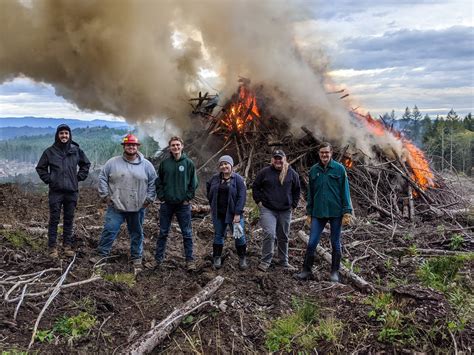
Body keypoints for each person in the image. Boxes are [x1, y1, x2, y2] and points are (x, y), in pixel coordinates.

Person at [96, 133, 156, 273]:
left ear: (137, 146)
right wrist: (105, 196)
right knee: (110, 229)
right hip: (116, 206)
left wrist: (149, 199)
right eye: (128, 144)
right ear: (124, 146)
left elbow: (154, 182)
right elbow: (102, 178)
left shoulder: (147, 165)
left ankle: (136, 257)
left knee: (136, 233)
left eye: (133, 145)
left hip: (138, 207)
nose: (131, 147)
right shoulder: (113, 162)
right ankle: (102, 254)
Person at [294, 142, 353, 282]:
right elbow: (311, 192)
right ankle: (306, 271)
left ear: (331, 153)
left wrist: (347, 211)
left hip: (336, 212)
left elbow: (345, 191)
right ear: (319, 154)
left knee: (335, 242)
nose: (324, 155)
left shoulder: (339, 169)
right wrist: (309, 212)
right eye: (322, 153)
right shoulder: (314, 170)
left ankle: (334, 273)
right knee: (312, 242)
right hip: (318, 212)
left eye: (327, 152)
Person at [36, 124, 90, 258]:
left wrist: (79, 177)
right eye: (61, 133)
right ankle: (52, 247)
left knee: (69, 219)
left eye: (66, 133)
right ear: (57, 135)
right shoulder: (50, 151)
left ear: (70, 135)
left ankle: (67, 246)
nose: (64, 136)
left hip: (72, 191)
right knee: (54, 219)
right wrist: (50, 180)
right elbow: (40, 168)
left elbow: (86, 164)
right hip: (56, 191)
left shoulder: (76, 150)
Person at [252, 150, 301, 272]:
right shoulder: (265, 172)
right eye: (276, 158)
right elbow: (255, 186)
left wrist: (293, 205)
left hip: (285, 210)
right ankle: (265, 261)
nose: (278, 161)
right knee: (269, 233)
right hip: (268, 209)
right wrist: (259, 202)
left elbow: (297, 190)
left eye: (280, 158)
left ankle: (283, 261)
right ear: (272, 159)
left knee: (283, 236)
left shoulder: (291, 173)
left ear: (285, 159)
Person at [155, 136, 198, 271]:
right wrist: (161, 196)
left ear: (182, 146)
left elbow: (194, 183)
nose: (175, 147)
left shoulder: (188, 163)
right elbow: (159, 181)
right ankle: (158, 259)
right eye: (173, 145)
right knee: (163, 232)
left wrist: (187, 198)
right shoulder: (165, 164)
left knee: (187, 233)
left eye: (178, 145)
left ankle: (190, 261)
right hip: (167, 204)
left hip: (183, 205)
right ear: (170, 148)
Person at [206, 155, 248, 270]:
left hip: (234, 214)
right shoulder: (215, 178)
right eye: (221, 164)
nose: (224, 166)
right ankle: (217, 257)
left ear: (231, 165)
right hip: (219, 213)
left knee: (239, 236)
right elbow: (208, 188)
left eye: (226, 164)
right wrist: (212, 202)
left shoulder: (238, 179)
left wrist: (238, 213)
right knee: (218, 235)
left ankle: (242, 257)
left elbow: (242, 197)